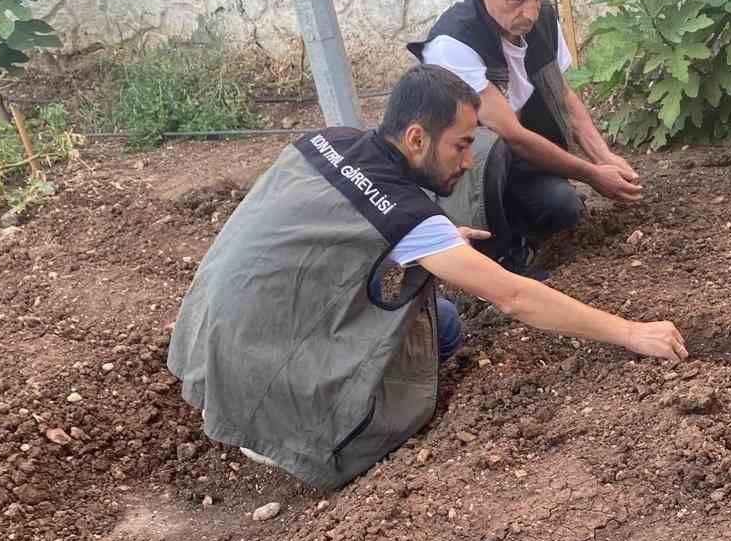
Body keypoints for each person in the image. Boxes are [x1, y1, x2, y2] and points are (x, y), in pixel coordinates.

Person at [167, 65, 686, 490]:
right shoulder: (405, 213)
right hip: (263, 373)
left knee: (440, 317)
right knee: (441, 327)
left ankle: (257, 400)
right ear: (417, 137)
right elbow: (513, 296)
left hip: (209, 339)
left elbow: (321, 238)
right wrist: (631, 332)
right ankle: (287, 430)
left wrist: (425, 238)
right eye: (460, 145)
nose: (467, 161)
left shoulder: (326, 141)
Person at [409, 0, 642, 276]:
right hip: (454, 178)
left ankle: (519, 233)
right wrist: (594, 175)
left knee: (564, 208)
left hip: (514, 166)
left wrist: (603, 155)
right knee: (492, 143)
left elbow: (563, 93)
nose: (531, 12)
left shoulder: (542, 20)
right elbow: (511, 134)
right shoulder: (454, 43)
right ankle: (497, 256)